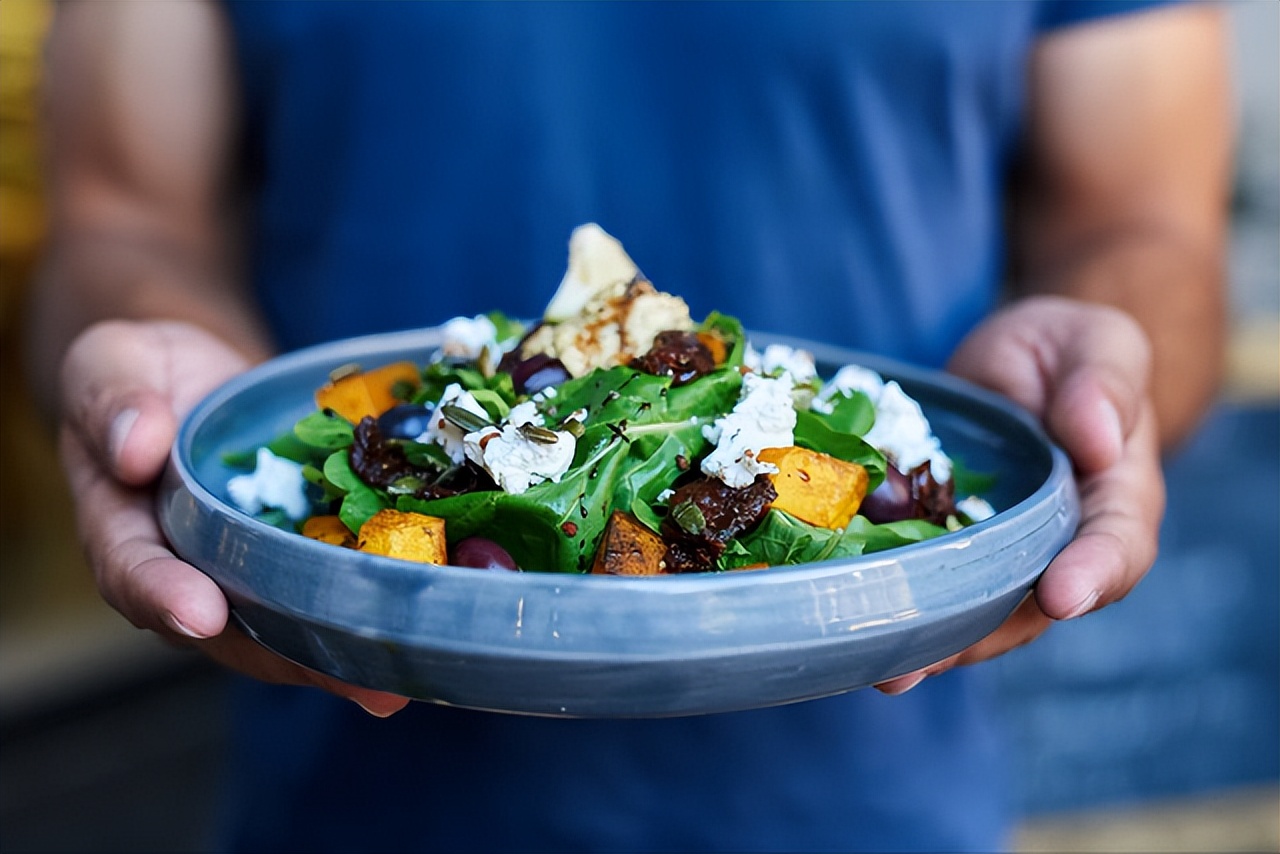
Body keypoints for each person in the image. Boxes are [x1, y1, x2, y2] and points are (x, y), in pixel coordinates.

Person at [28, 1, 1231, 850]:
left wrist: (1103, 359)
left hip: (868, 791)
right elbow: (122, 216)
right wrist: (150, 384)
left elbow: (1144, 227)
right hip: (344, 773)